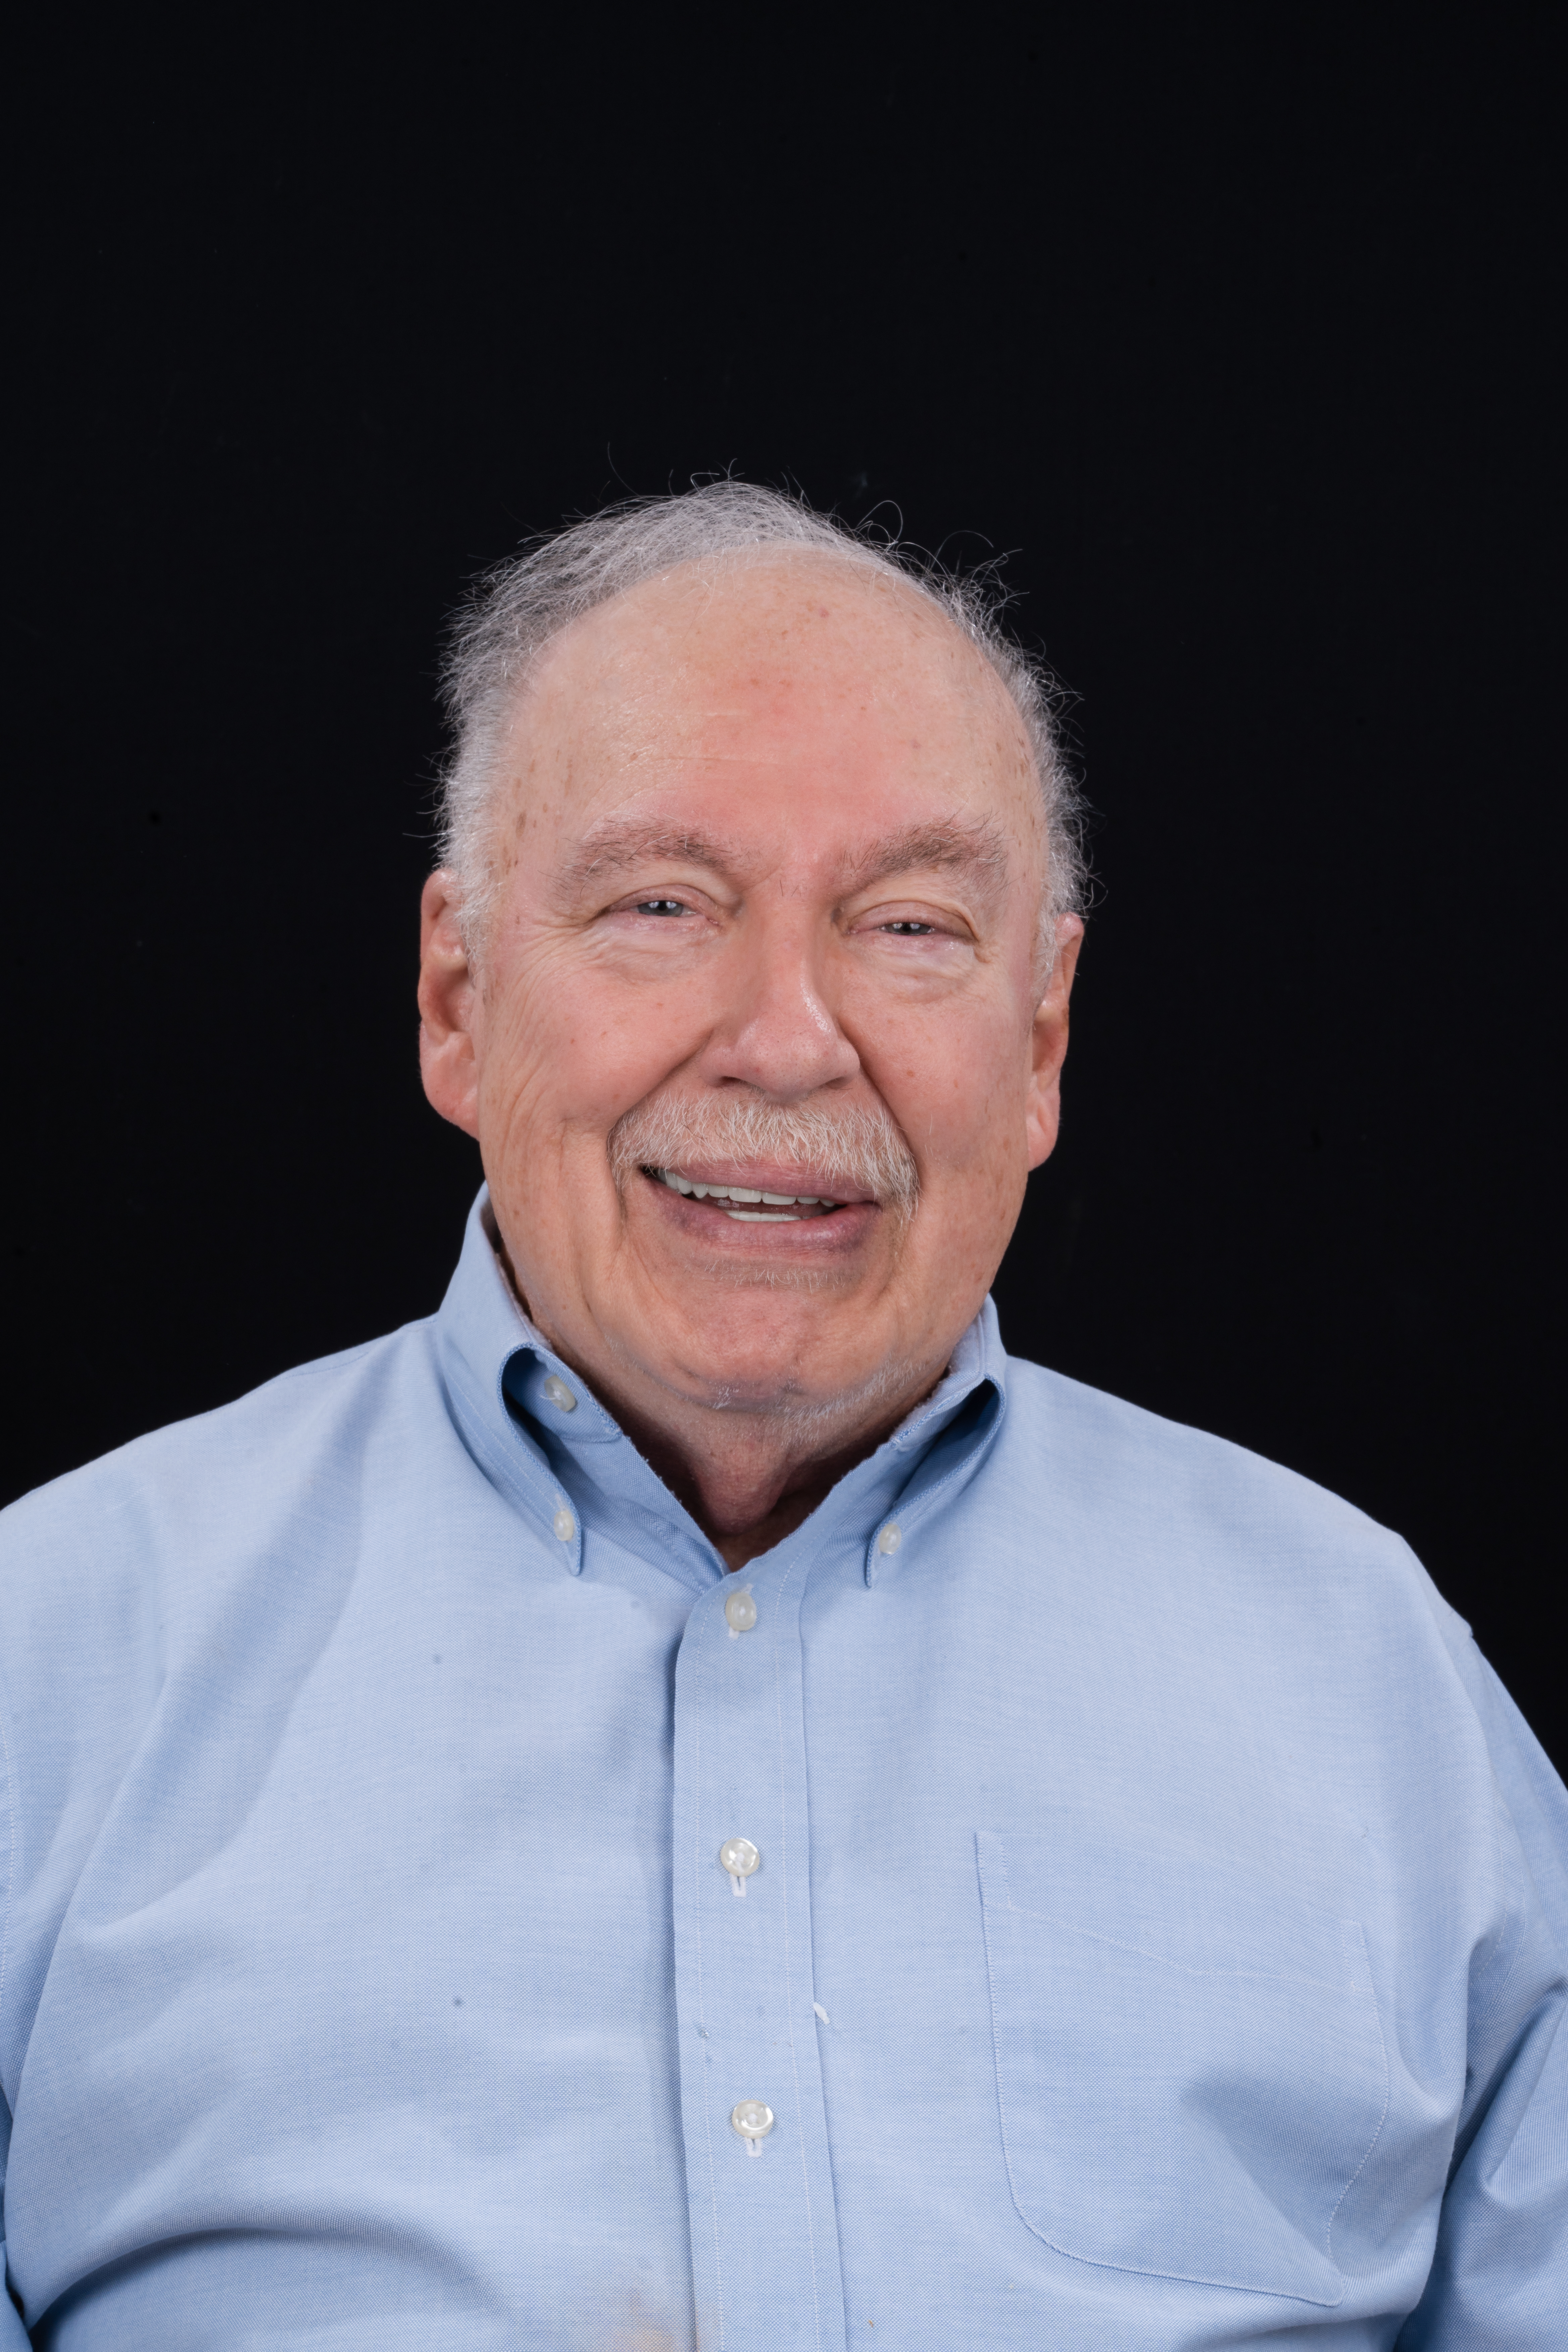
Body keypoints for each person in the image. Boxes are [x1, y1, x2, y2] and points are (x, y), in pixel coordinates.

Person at [0, 483, 1561, 2351]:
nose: (788, 1036)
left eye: (908, 925)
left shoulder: (1361, 1671)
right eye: (662, 906)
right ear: (456, 998)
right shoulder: (55, 1654)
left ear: (1044, 1039)